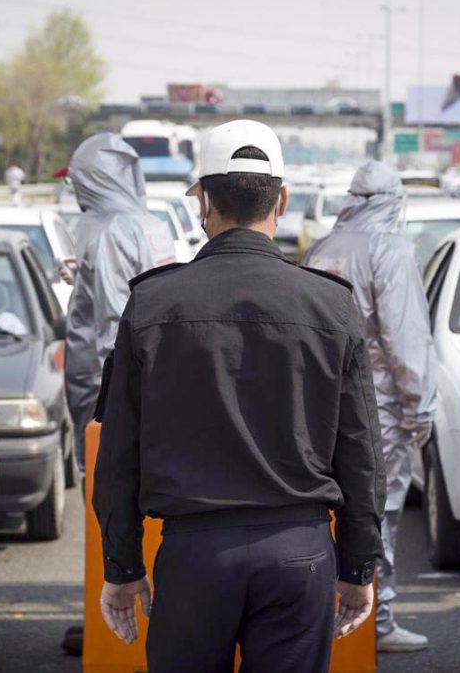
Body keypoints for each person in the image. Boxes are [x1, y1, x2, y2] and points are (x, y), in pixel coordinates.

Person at [93, 119, 385, 673]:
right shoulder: (332, 306)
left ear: (202, 202)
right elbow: (362, 453)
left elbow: (119, 452)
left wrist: (122, 565)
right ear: (282, 199)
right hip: (300, 552)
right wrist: (358, 566)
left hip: (194, 555)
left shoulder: (153, 305)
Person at [303, 160, 439, 653]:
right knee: (380, 513)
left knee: (326, 514)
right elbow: (405, 337)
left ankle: (324, 619)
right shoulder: (391, 250)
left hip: (317, 411)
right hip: (376, 409)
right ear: (393, 202)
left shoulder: (322, 249)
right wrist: (418, 407)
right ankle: (373, 624)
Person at [60, 132, 178, 655]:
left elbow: (113, 323)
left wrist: (116, 404)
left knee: (108, 504)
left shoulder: (107, 230)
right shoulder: (147, 224)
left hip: (108, 392)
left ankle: (107, 622)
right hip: (152, 386)